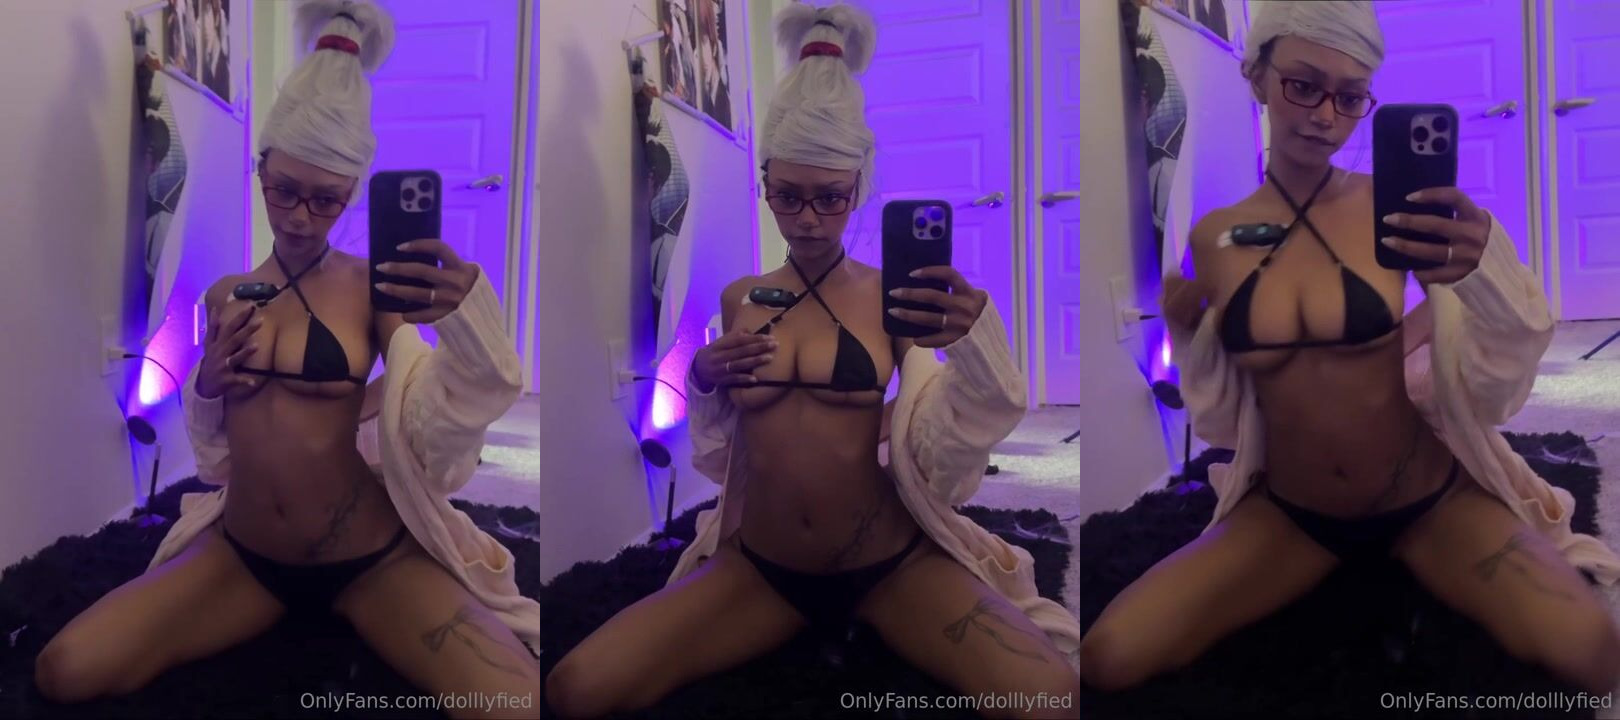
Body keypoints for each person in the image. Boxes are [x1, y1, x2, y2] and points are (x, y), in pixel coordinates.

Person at [544, 4, 1080, 718]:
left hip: (889, 564)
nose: (807, 218)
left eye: (830, 198)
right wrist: (703, 376)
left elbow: (945, 436)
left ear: (857, 188)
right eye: (787, 196)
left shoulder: (890, 297)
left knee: (1051, 696)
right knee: (575, 689)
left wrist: (975, 343)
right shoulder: (741, 297)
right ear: (764, 183)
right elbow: (719, 448)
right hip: (760, 568)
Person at [1080, 0, 1620, 695]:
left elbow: (1501, 366)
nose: (1326, 116)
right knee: (1108, 658)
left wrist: (1483, 270)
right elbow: (1221, 423)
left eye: (1351, 96)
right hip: (1291, 515)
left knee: (1595, 654)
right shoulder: (1217, 237)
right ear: (1257, 75)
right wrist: (1191, 339)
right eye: (1303, 86)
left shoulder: (1396, 207)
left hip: (1429, 500)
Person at [34, 2, 539, 716]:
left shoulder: (372, 289)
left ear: (353, 193)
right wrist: (208, 384)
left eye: (326, 200)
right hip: (244, 554)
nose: (301, 216)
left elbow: (432, 420)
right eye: (285, 191)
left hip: (369, 559)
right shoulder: (226, 294)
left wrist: (464, 320)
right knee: (64, 671)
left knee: (518, 701)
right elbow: (216, 455)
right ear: (260, 168)